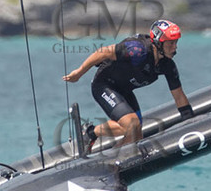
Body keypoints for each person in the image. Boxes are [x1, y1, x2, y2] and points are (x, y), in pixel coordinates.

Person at [63, 19, 194, 148]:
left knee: (136, 135)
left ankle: (105, 152)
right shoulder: (137, 50)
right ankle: (93, 136)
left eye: (176, 42)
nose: (175, 47)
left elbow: (179, 96)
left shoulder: (167, 65)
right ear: (158, 43)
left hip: (124, 90)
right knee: (132, 124)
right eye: (170, 43)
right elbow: (103, 52)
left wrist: (191, 124)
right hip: (104, 85)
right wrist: (79, 73)